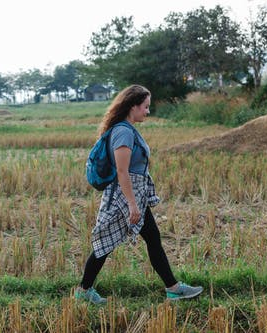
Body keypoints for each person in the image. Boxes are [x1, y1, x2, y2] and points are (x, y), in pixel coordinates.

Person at [75, 85, 203, 304]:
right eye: (145, 107)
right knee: (105, 242)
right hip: (124, 198)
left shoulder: (126, 129)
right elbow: (122, 171)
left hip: (134, 196)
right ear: (132, 106)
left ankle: (172, 288)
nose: (147, 111)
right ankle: (83, 291)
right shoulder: (123, 132)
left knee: (152, 239)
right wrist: (133, 205)